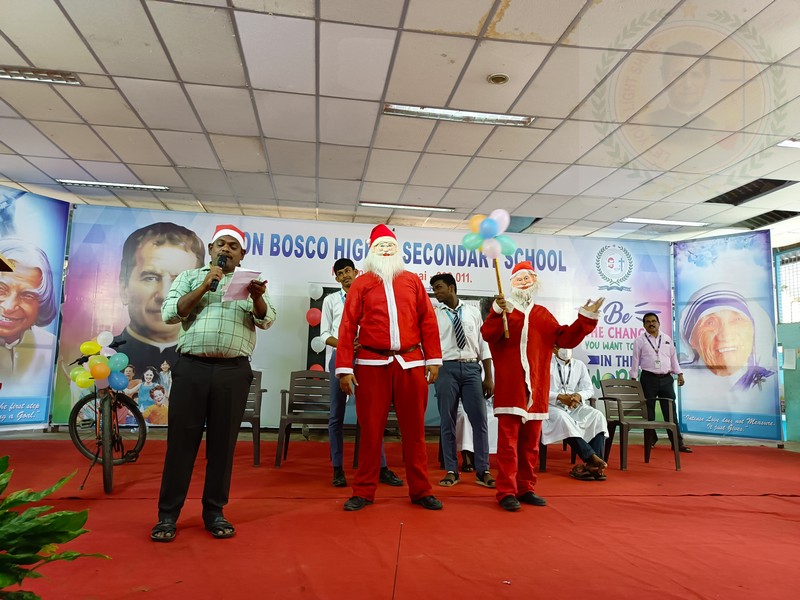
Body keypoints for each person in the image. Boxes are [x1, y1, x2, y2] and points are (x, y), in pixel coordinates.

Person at [151, 223, 276, 542]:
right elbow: (171, 313)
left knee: (222, 447)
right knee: (181, 445)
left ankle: (214, 512)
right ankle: (168, 515)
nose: (226, 250)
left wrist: (258, 298)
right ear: (210, 250)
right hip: (192, 369)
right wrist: (206, 285)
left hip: (233, 373)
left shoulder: (251, 284)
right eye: (221, 244)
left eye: (233, 246)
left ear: (242, 254)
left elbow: (267, 319)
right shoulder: (190, 278)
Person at [335, 224, 443, 511]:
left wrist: (433, 358)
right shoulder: (361, 283)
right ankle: (363, 490)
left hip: (411, 362)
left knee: (415, 432)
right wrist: (344, 368)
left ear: (397, 249)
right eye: (380, 245)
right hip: (371, 364)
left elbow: (427, 320)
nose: (385, 249)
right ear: (371, 250)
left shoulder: (412, 281)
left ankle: (421, 490)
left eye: (389, 245)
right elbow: (348, 326)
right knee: (370, 431)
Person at [481, 261, 604, 512]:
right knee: (508, 445)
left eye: (527, 278)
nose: (523, 282)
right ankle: (506, 491)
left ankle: (526, 487)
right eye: (519, 278)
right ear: (512, 283)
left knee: (531, 445)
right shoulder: (505, 312)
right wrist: (495, 311)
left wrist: (585, 318)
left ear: (534, 281)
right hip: (511, 389)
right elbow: (487, 334)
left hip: (537, 390)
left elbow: (565, 338)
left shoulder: (543, 315)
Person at [319, 257, 402, 489]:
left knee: (371, 415)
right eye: (340, 273)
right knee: (336, 414)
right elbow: (324, 334)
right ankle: (338, 468)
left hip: (367, 358)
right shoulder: (330, 300)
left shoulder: (369, 296)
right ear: (336, 278)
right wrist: (345, 344)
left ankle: (381, 467)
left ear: (356, 272)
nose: (345, 276)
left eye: (348, 271)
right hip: (340, 358)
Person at [113, 222, 205, 378]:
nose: (164, 295)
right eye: (151, 278)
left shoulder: (209, 365)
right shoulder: (101, 360)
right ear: (124, 287)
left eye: (180, 281)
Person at [430, 273, 494, 488]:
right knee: (447, 421)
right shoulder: (434, 315)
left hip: (471, 368)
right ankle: (451, 470)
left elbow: (483, 345)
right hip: (445, 368)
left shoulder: (473, 312)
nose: (436, 292)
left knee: (480, 420)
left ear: (451, 287)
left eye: (439, 287)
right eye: (434, 289)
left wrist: (488, 376)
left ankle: (483, 469)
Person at [0, 238, 58, 396]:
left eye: (27, 295)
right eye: (1, 289)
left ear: (42, 303)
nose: (9, 307)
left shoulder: (49, 345)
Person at [541, 347, 609, 481]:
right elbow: (538, 389)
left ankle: (593, 466)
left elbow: (589, 389)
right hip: (551, 406)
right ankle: (593, 459)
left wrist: (578, 395)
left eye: (569, 346)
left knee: (597, 416)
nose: (566, 349)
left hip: (573, 405)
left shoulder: (579, 365)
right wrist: (559, 397)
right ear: (554, 348)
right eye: (562, 346)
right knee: (562, 418)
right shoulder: (545, 363)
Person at [631, 313, 692, 453]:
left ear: (658, 323)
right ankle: (651, 439)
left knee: (670, 412)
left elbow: (673, 358)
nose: (651, 324)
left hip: (666, 379)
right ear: (644, 325)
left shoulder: (667, 339)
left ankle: (677, 443)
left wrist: (679, 374)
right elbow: (635, 360)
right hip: (648, 379)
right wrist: (634, 378)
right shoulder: (639, 341)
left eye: (654, 321)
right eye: (648, 322)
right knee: (649, 413)